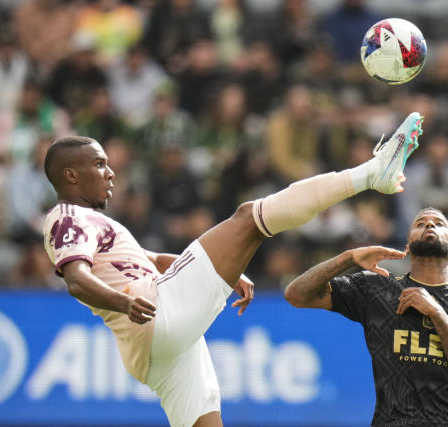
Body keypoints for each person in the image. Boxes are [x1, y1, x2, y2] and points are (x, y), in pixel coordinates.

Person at [41, 112, 423, 427]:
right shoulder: (67, 218)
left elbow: (150, 260)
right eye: (99, 164)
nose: (110, 173)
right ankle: (371, 174)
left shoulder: (89, 221)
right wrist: (123, 303)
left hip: (155, 348)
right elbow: (76, 280)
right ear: (70, 176)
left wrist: (226, 271)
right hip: (156, 312)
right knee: (248, 219)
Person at [284, 207, 448, 426]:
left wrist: (436, 312)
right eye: (420, 224)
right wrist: (349, 258)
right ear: (407, 248)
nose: (430, 225)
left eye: (439, 223)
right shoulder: (376, 288)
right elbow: (296, 295)